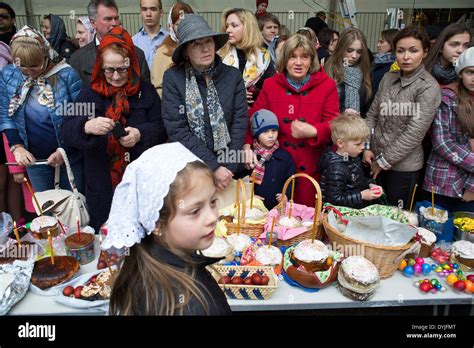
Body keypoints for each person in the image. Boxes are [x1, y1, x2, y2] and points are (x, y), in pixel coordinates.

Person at [105, 143, 232, 315]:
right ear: (158, 224)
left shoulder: (145, 260)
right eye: (195, 211)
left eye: (213, 202)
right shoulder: (193, 305)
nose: (212, 217)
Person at [61, 27, 166, 232]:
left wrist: (140, 134)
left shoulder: (144, 91)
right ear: (101, 67)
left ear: (132, 65)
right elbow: (67, 129)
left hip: (139, 183)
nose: (116, 76)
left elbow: (162, 126)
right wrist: (86, 126)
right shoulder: (90, 92)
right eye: (109, 69)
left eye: (122, 69)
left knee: (141, 233)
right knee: (106, 236)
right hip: (102, 183)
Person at [245, 34, 340, 207]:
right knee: (273, 222)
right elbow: (253, 118)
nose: (298, 62)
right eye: (292, 56)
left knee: (305, 224)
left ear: (312, 61)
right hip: (276, 171)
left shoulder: (327, 86)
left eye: (304, 57)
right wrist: (246, 146)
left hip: (310, 171)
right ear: (284, 59)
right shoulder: (270, 85)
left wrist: (314, 131)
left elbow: (335, 126)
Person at [162, 14, 247, 190]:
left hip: (229, 170)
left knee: (228, 216)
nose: (205, 48)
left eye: (208, 41)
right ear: (185, 51)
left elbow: (239, 124)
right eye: (196, 43)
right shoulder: (173, 78)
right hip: (189, 169)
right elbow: (177, 129)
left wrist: (226, 168)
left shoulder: (233, 76)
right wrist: (213, 167)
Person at [0, 26, 84, 194]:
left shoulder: (66, 75)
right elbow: (5, 114)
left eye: (35, 66)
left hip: (69, 157)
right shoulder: (9, 75)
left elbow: (80, 116)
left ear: (46, 56)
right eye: (23, 67)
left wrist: (65, 150)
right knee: (45, 212)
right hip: (35, 160)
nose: (29, 72)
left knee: (74, 207)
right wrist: (17, 146)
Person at [364, 27, 441, 208]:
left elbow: (414, 133)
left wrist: (382, 162)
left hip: (403, 168)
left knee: (395, 222)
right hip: (374, 160)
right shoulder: (388, 78)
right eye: (400, 51)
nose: (406, 57)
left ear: (425, 52)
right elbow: (372, 115)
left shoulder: (428, 87)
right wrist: (367, 147)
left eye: (413, 50)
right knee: (373, 214)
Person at [423, 47, 474, 213]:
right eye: (470, 72)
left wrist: (472, 186)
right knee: (434, 231)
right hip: (443, 180)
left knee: (465, 234)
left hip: (471, 186)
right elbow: (442, 143)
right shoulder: (447, 97)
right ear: (460, 73)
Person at [70, 0, 150, 85]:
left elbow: (147, 93)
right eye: (108, 19)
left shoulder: (137, 55)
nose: (114, 23)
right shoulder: (78, 59)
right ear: (93, 22)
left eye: (116, 18)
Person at [319, 112, 383, 208]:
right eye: (358, 144)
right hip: (338, 218)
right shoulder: (335, 168)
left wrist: (371, 185)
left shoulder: (353, 157)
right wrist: (362, 195)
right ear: (340, 143)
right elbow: (334, 200)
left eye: (363, 143)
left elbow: (358, 181)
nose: (362, 147)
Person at [219, 8, 275, 105]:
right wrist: (237, 94)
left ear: (248, 28)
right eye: (227, 26)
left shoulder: (264, 57)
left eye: (234, 26)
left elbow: (271, 91)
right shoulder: (219, 55)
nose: (228, 30)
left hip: (256, 111)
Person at [248, 109, 295, 210]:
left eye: (274, 130)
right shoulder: (251, 156)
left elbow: (292, 180)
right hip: (255, 209)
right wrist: (249, 196)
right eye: (265, 132)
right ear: (256, 134)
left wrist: (286, 195)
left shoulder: (285, 156)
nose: (271, 135)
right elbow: (241, 181)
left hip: (277, 209)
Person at [325, 28, 372, 117]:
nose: (354, 56)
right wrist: (341, 115)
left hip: (356, 127)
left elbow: (367, 108)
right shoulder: (329, 71)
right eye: (349, 50)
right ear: (341, 48)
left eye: (359, 51)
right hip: (333, 126)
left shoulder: (364, 71)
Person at [151, 2, 193, 97]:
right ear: (171, 25)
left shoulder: (199, 48)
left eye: (186, 23)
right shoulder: (163, 53)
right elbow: (158, 89)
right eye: (178, 24)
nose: (183, 28)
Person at [132, 0, 169, 70]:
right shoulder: (133, 42)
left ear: (161, 13)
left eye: (153, 9)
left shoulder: (170, 40)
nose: (148, 14)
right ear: (140, 13)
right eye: (144, 9)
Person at [372, 29, 398, 97]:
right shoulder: (376, 62)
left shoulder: (394, 67)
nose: (377, 45)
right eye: (378, 41)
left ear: (392, 44)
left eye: (381, 42)